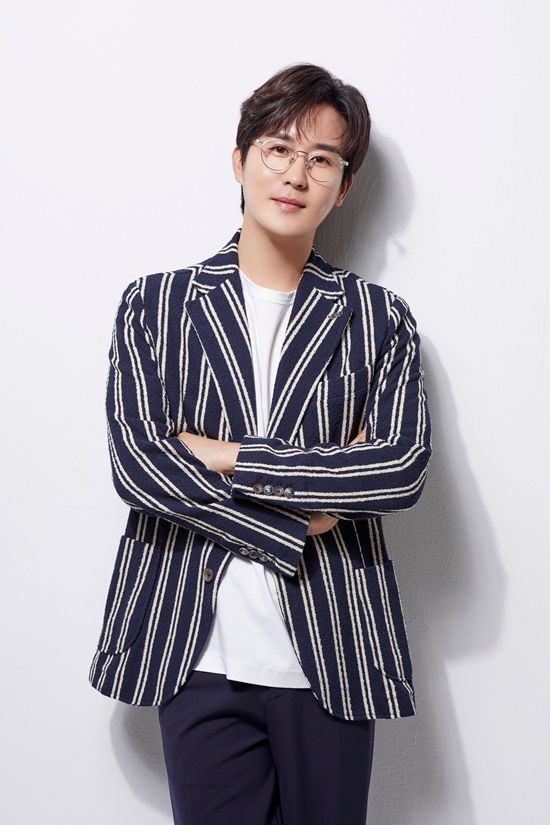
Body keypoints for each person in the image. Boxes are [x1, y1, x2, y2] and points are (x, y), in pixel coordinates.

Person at [89, 62, 432, 825]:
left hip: (334, 650)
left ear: (344, 186)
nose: (296, 174)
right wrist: (296, 521)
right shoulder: (156, 305)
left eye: (322, 158)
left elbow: (396, 469)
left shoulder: (379, 319)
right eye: (279, 148)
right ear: (240, 159)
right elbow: (140, 465)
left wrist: (229, 454)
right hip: (193, 652)